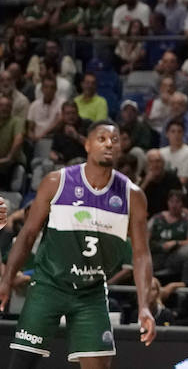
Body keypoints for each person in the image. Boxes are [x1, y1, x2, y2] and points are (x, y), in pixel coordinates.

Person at [0, 120, 157, 366]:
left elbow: (141, 254)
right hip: (48, 284)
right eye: (101, 138)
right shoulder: (56, 182)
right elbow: (28, 234)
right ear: (87, 144)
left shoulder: (132, 195)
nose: (108, 144)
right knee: (21, 363)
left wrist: (144, 306)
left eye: (114, 140)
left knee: (98, 364)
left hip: (91, 291)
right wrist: (7, 280)